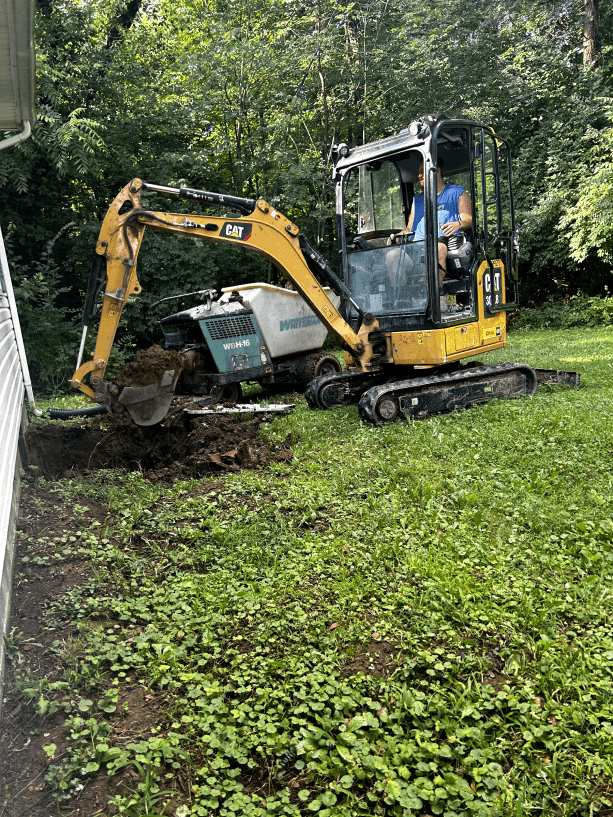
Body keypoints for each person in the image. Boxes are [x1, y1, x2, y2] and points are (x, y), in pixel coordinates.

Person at [389, 159, 472, 287]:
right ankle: (402, 299)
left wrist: (458, 224)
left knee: (437, 250)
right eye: (418, 172)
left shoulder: (457, 192)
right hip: (416, 247)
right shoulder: (418, 201)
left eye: (422, 171)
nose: (419, 176)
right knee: (392, 255)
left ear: (436, 171)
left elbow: (469, 220)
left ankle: (433, 301)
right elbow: (409, 228)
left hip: (442, 243)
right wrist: (397, 237)